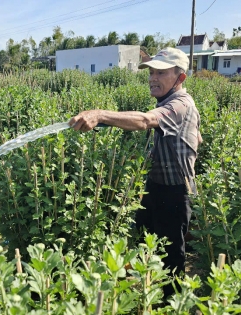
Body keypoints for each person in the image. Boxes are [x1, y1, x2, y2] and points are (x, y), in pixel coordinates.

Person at [68, 47, 202, 298]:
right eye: (151, 72)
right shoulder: (171, 103)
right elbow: (198, 137)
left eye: (161, 73)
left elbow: (144, 121)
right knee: (145, 242)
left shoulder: (179, 104)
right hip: (155, 187)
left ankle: (170, 306)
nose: (153, 77)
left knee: (171, 256)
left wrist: (99, 115)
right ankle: (145, 295)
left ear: (180, 77)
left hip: (175, 193)